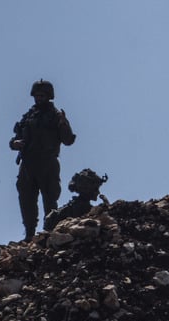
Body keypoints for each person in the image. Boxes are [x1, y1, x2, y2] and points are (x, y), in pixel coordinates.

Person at [10, 79, 76, 239]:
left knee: (50, 200)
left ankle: (49, 233)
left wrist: (64, 124)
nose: (39, 98)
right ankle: (29, 235)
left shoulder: (55, 116)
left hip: (47, 162)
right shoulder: (28, 116)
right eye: (37, 95)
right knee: (26, 200)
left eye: (42, 95)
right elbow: (14, 140)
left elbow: (68, 140)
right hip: (28, 163)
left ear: (49, 96)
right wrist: (15, 143)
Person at [43, 169, 108, 231]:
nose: (98, 192)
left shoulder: (74, 205)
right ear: (87, 189)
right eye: (95, 189)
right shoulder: (81, 207)